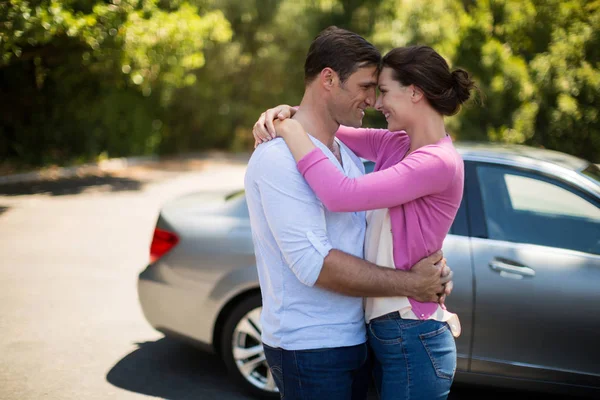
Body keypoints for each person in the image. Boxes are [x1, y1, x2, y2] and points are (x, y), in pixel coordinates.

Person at [253, 45, 476, 399]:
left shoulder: (439, 162)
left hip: (412, 331)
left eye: (384, 91)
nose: (376, 103)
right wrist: (287, 113)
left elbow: (340, 194)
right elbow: (327, 122)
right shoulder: (395, 144)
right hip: (383, 331)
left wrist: (291, 131)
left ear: (415, 92)